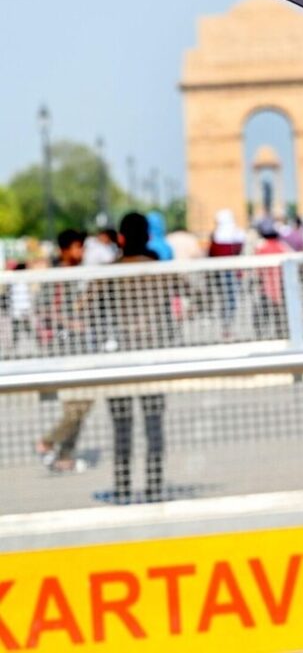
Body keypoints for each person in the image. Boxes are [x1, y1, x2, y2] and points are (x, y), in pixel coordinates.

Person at [107, 212, 166, 503]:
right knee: (154, 427)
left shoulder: (109, 272)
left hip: (118, 360)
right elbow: (201, 297)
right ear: (148, 237)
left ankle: (122, 489)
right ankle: (155, 488)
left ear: (121, 238)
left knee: (122, 428)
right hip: (152, 357)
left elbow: (80, 308)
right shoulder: (157, 270)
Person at [36, 228, 92, 473]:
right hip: (63, 350)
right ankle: (48, 441)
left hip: (81, 347)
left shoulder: (80, 274)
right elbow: (42, 308)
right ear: (65, 249)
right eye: (77, 247)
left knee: (83, 403)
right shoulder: (57, 277)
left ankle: (65, 456)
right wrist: (71, 323)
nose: (81, 252)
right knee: (76, 406)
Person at [208, 209, 245, 339]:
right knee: (229, 300)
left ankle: (227, 326)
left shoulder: (220, 235)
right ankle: (227, 326)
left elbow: (211, 254)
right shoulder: (236, 234)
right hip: (230, 272)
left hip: (225, 273)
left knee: (227, 300)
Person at [253, 219, 290, 338]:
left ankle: (263, 334)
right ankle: (281, 333)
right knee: (279, 311)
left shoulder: (261, 247)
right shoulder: (281, 246)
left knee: (264, 311)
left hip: (265, 285)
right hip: (279, 284)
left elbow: (256, 268)